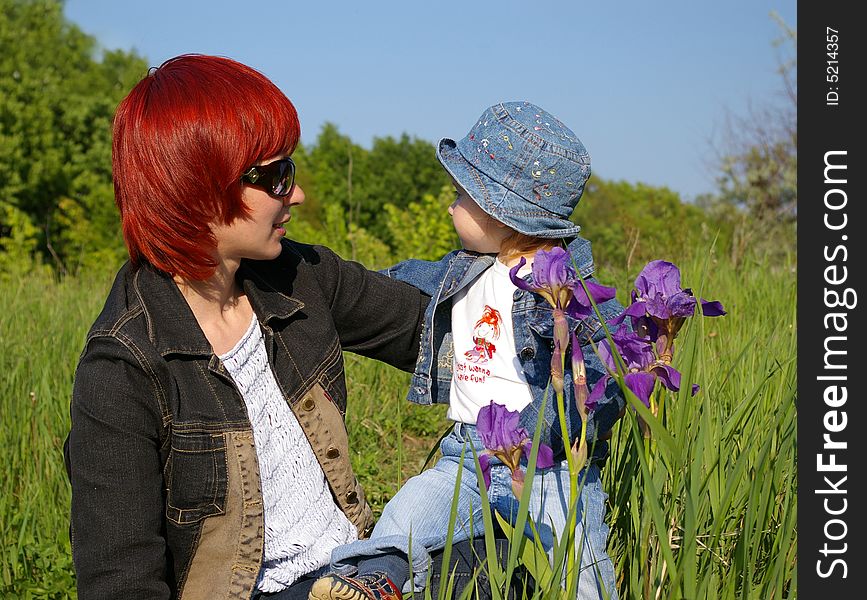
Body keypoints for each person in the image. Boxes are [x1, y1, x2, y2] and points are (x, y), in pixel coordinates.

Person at [63, 53, 442, 600]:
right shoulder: (123, 369)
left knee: (513, 538)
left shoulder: (299, 276)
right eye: (278, 175)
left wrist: (555, 323)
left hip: (355, 567)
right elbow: (122, 583)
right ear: (198, 187)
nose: (298, 194)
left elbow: (427, 328)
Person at [310, 102, 626, 600]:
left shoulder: (566, 288)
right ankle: (369, 582)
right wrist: (321, 286)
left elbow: (610, 375)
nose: (449, 205)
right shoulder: (462, 270)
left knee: (581, 571)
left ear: (500, 210)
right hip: (466, 457)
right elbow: (387, 283)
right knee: (405, 517)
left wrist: (562, 425)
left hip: (549, 466)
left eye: (460, 195)